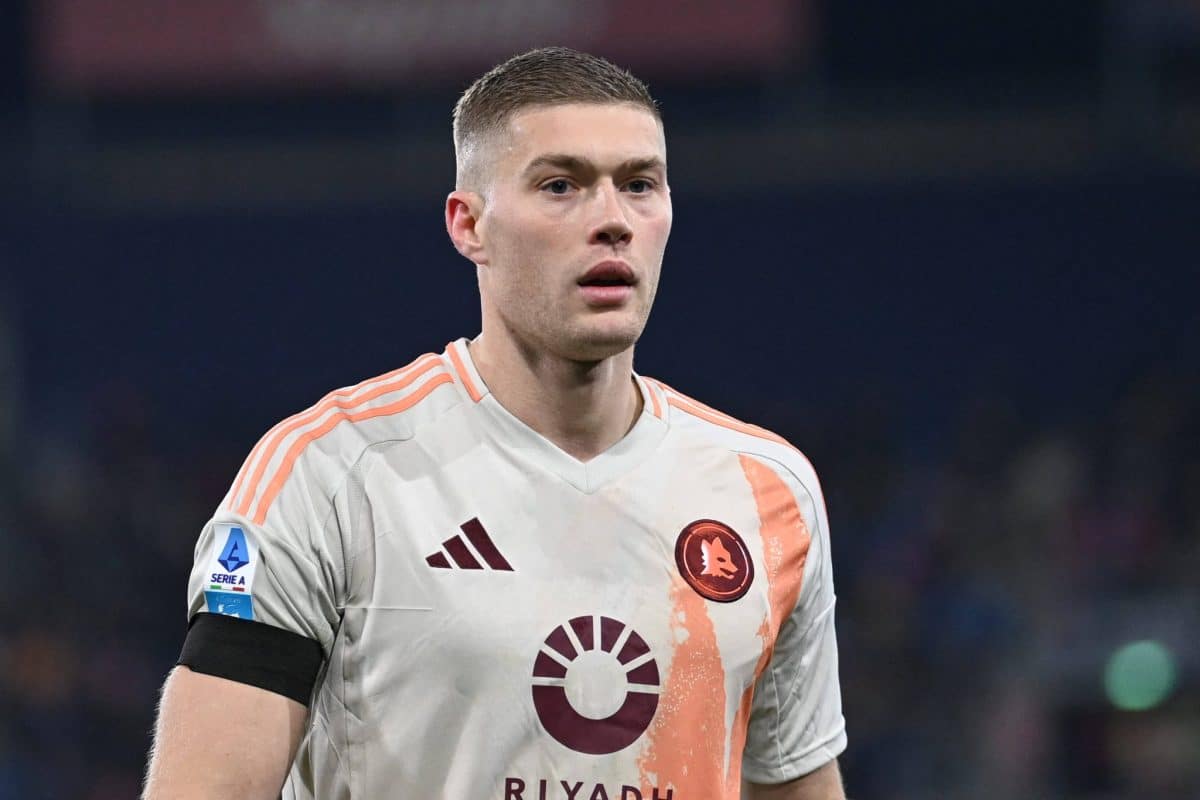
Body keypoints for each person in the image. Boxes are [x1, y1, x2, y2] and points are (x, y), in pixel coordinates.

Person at [142, 46, 847, 800]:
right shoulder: (331, 474)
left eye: (639, 184)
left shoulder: (766, 491)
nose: (613, 221)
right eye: (561, 185)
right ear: (469, 224)